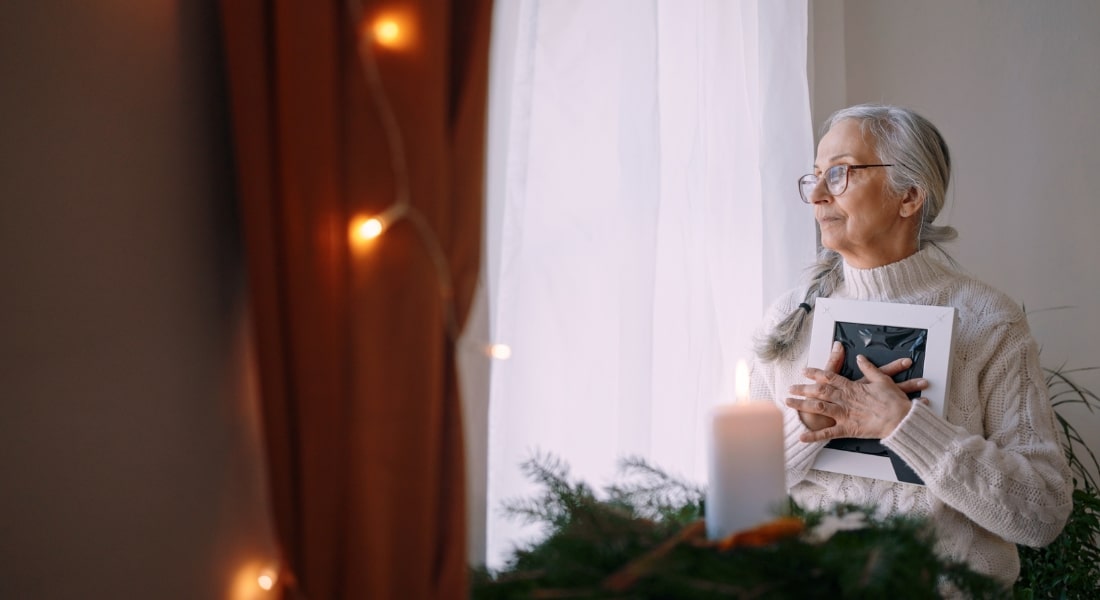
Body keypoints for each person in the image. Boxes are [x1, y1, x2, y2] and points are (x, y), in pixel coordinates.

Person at [751, 104, 1072, 590]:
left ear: (910, 195)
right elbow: (741, 495)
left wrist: (905, 427)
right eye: (814, 177)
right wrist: (805, 427)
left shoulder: (988, 322)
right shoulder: (788, 318)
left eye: (838, 174)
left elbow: (1042, 513)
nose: (816, 196)